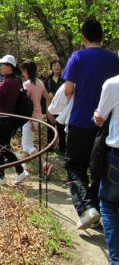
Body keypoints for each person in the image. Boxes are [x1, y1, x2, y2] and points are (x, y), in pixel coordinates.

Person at [62, 19, 119, 230]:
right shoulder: (114, 59)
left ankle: (87, 209)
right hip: (106, 124)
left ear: (83, 38)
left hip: (80, 121)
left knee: (75, 165)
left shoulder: (77, 56)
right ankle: (95, 210)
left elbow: (68, 90)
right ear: (102, 37)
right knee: (99, 168)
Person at [0, 55, 29, 186]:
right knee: (5, 147)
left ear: (9, 67)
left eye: (3, 65)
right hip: (9, 118)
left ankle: (2, 175)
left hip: (1, 118)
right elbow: (5, 95)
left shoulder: (8, 82)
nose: (0, 67)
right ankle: (16, 171)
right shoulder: (16, 81)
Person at [94, 75, 119, 265]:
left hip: (116, 154)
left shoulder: (112, 84)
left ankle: (116, 260)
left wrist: (96, 115)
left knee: (109, 204)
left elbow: (100, 118)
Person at [20, 60, 52, 176]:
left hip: (30, 118)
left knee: (28, 145)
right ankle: (25, 166)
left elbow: (27, 104)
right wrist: (48, 112)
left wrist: (29, 120)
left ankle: (45, 164)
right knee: (27, 141)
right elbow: (48, 97)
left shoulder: (27, 84)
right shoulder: (39, 82)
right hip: (39, 117)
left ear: (26, 71)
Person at [43, 60, 67, 155]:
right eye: (54, 65)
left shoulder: (64, 79)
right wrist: (47, 111)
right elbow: (45, 96)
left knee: (61, 130)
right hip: (51, 107)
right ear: (51, 68)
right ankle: (50, 146)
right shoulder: (48, 80)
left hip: (62, 108)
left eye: (58, 65)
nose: (56, 67)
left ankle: (62, 148)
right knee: (50, 128)